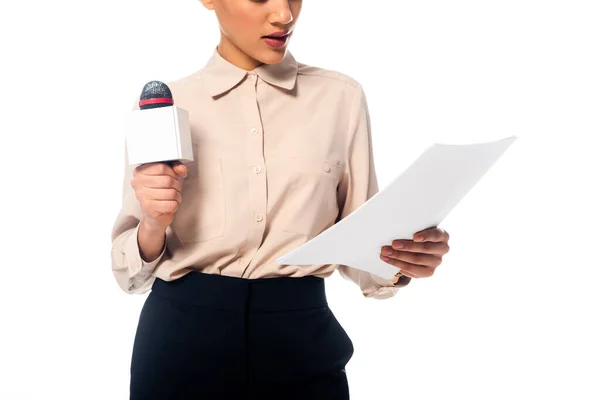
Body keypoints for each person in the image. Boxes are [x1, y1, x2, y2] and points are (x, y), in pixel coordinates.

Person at [110, 0, 451, 398]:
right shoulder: (166, 108)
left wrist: (403, 258)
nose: (284, 14)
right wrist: (153, 223)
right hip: (180, 345)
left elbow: (362, 251)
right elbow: (127, 273)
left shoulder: (340, 98)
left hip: (302, 345)